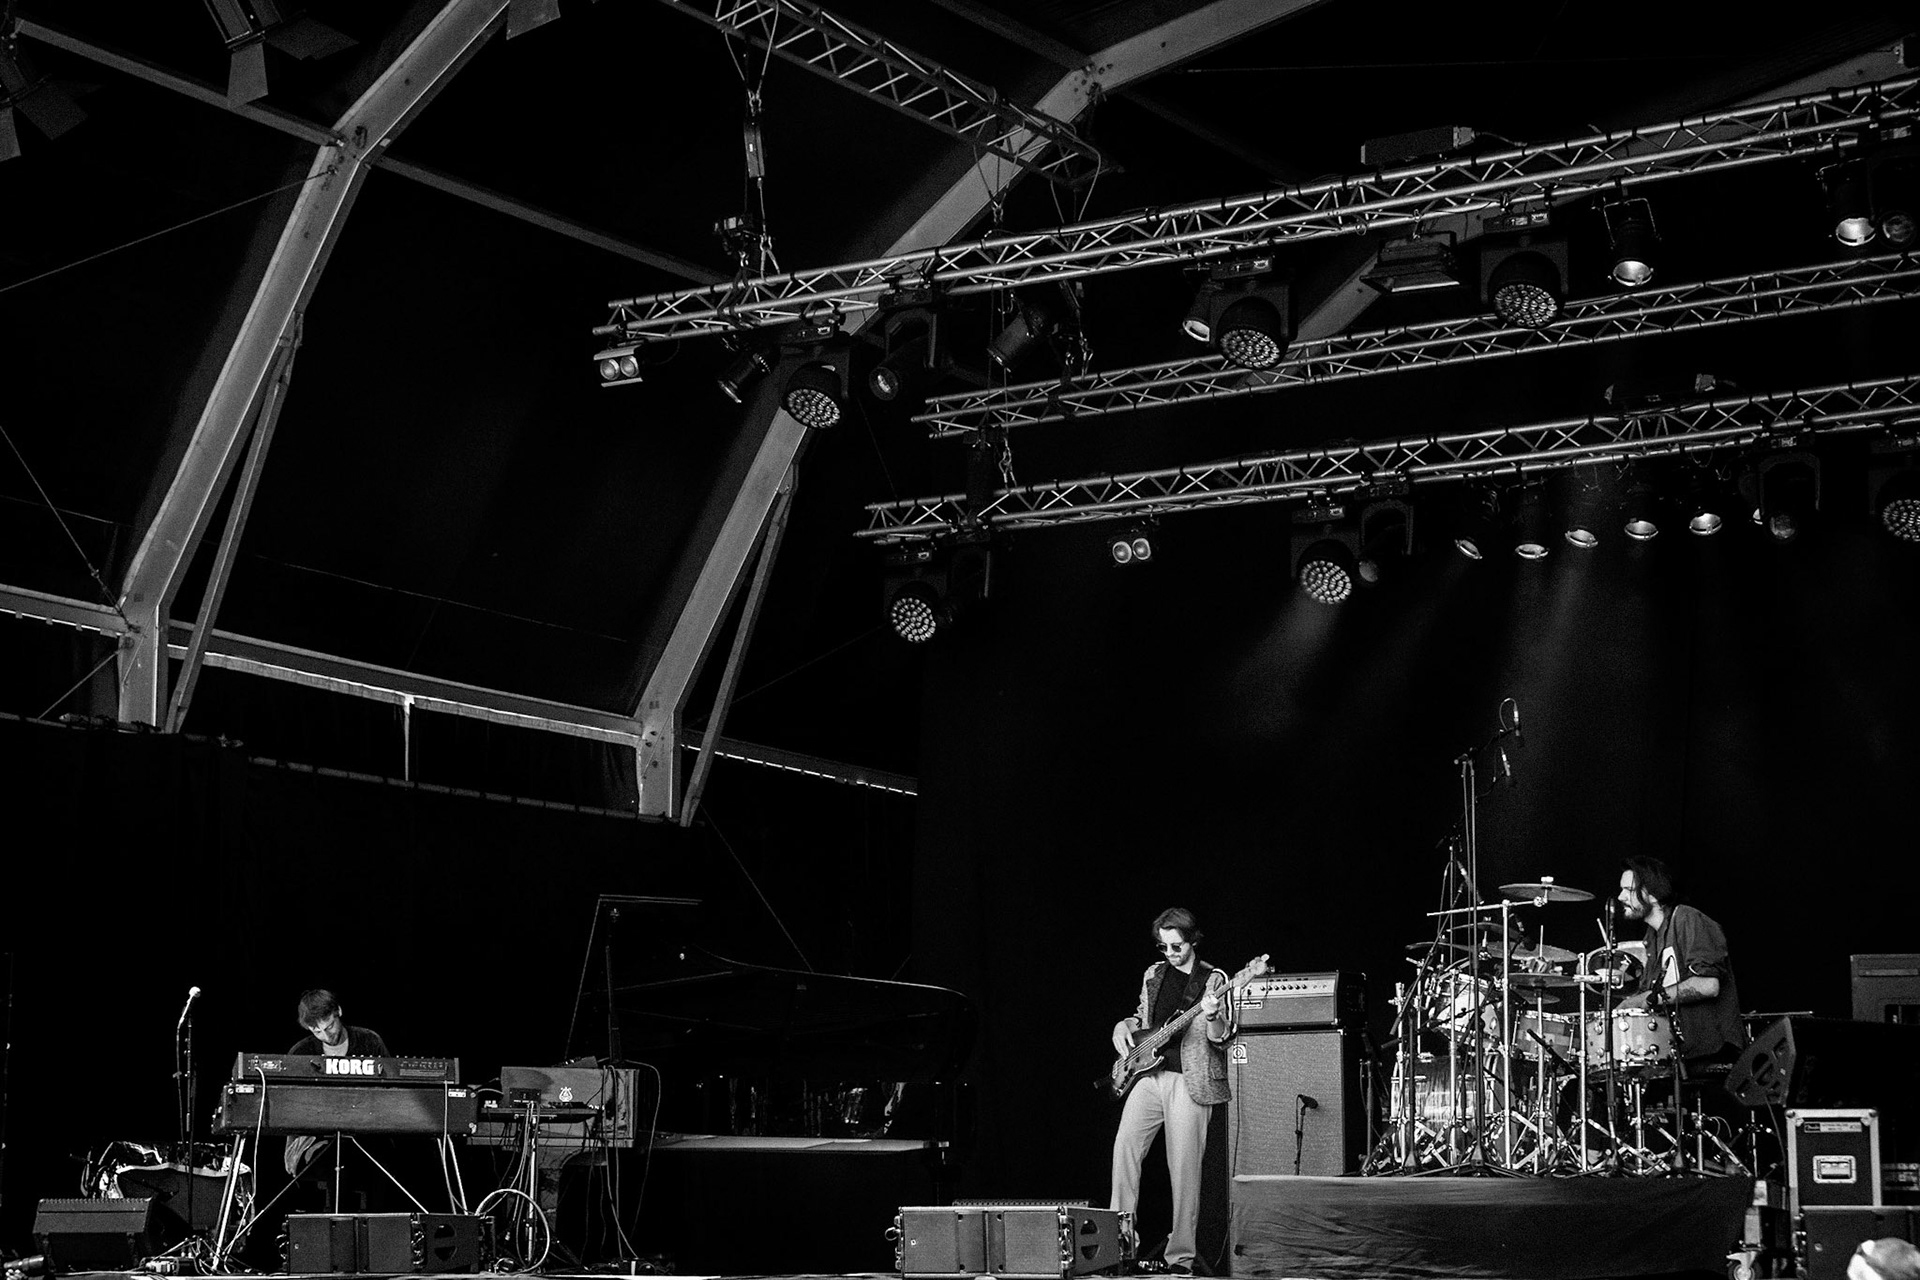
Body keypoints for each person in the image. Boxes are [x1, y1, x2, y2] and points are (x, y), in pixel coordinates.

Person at [1109, 908, 1234, 1276]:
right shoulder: (1154, 973)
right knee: (1125, 1149)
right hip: (1150, 1076)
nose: (1170, 953)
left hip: (1190, 1081)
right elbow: (1142, 1018)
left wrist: (1212, 1015)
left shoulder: (1214, 979)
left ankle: (1180, 1259)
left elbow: (1223, 1038)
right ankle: (1119, 1246)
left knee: (1184, 1171)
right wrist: (1123, 1025)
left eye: (1176, 946)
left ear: (1192, 940)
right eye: (1163, 946)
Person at [1613, 857, 1744, 1062]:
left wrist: (1646, 999)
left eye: (1628, 890)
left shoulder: (1687, 919)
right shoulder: (1652, 938)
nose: (1621, 897)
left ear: (1653, 895)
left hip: (1714, 1055)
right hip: (1681, 1056)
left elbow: (1708, 985)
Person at [284, 990, 390, 1180]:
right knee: (332, 1159)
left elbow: (390, 1091)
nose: (326, 1036)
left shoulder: (369, 1041)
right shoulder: (301, 1052)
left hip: (368, 1133)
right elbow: (291, 1106)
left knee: (380, 1158)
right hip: (316, 1138)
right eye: (317, 1031)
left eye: (330, 1026)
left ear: (338, 1011)